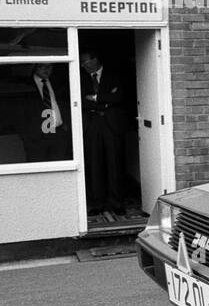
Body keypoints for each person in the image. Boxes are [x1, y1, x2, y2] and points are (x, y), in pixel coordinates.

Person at [80, 49, 129, 214]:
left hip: (112, 125)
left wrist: (95, 98)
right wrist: (106, 100)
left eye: (86, 62)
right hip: (92, 124)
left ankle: (116, 203)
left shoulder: (115, 75)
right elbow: (81, 102)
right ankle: (96, 203)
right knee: (94, 163)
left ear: (95, 59)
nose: (83, 66)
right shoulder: (79, 77)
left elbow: (120, 97)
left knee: (115, 163)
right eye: (82, 63)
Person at [22, 62, 73, 162]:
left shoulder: (57, 82)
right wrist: (27, 137)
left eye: (49, 66)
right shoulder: (26, 85)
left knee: (59, 169)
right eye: (42, 66)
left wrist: (66, 126)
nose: (46, 69)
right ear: (34, 67)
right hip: (36, 137)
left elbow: (67, 104)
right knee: (38, 171)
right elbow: (20, 113)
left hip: (59, 133)